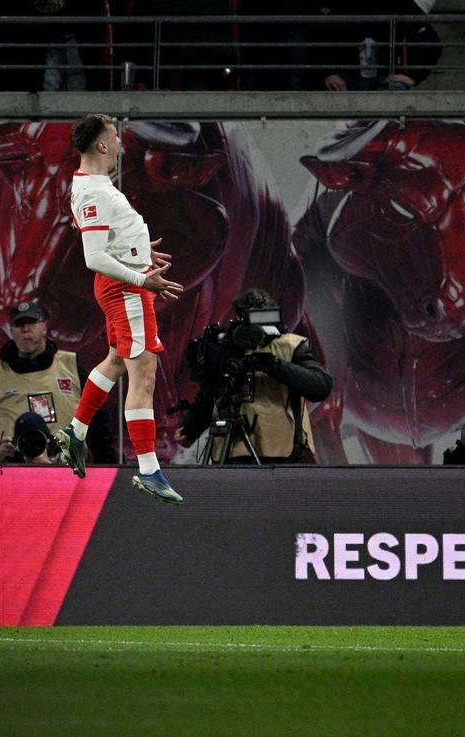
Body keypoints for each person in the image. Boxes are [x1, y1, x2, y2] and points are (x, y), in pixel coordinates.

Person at [56, 113, 186, 503]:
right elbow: (94, 256)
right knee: (143, 370)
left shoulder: (93, 185)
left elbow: (108, 241)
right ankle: (149, 470)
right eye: (115, 137)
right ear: (101, 144)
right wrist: (142, 278)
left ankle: (76, 432)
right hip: (126, 289)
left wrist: (140, 253)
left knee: (116, 359)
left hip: (122, 283)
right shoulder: (94, 191)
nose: (119, 144)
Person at [176, 288, 333, 464]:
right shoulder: (227, 349)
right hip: (234, 451)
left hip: (283, 453)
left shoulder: (291, 345)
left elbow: (321, 386)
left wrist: (271, 364)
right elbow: (212, 391)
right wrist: (192, 429)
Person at [0, 301, 117, 464]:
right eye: (19, 324)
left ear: (44, 327)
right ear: (11, 330)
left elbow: (97, 422)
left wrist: (108, 467)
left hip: (69, 470)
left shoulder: (71, 366)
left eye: (32, 322)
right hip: (11, 473)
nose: (25, 329)